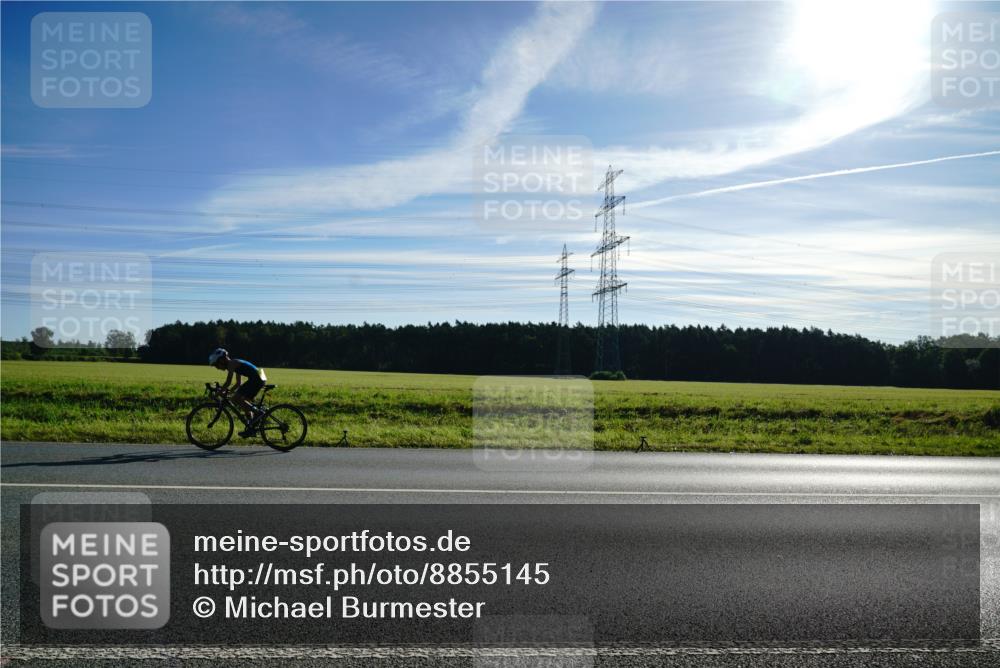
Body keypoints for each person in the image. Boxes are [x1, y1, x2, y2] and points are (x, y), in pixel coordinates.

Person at [208, 348, 268, 437]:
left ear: (222, 360)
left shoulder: (232, 364)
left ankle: (258, 413)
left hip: (257, 378)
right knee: (244, 401)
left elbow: (228, 382)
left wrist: (217, 394)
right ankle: (251, 427)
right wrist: (229, 392)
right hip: (259, 377)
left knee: (235, 399)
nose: (217, 368)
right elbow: (238, 383)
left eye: (216, 365)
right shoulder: (235, 364)